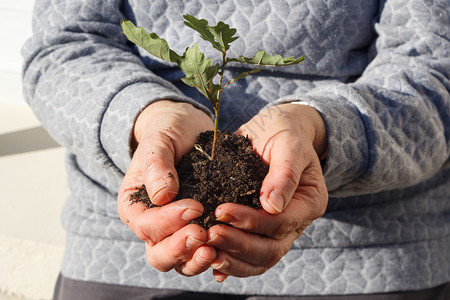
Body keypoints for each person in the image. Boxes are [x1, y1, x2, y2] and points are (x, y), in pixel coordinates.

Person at [22, 0, 449, 299]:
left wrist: (317, 127)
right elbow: (63, 48)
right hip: (121, 250)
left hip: (369, 255)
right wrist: (147, 118)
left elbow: (434, 69)